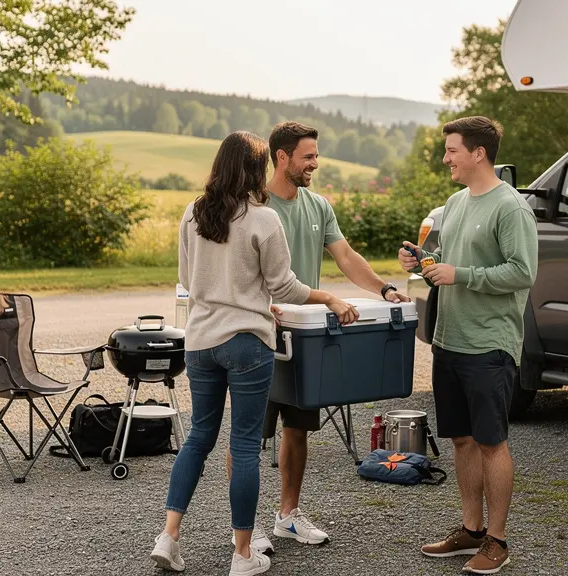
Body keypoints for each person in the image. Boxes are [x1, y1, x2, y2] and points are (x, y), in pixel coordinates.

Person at [150, 130, 359, 576]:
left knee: (199, 438)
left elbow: (189, 279)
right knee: (245, 445)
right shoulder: (263, 219)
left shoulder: (193, 213)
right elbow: (284, 286)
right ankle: (243, 555)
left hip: (201, 341)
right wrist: (326, 299)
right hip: (247, 342)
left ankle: (168, 537)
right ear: (258, 168)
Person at [226, 121, 410, 554]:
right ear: (282, 157)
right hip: (258, 332)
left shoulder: (318, 206)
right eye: (308, 156)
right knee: (249, 435)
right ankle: (244, 530)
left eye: (316, 156)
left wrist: (383, 289)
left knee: (299, 427)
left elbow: (345, 256)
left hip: (304, 333)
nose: (315, 164)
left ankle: (287, 516)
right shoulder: (251, 205)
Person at [398, 116, 537, 574]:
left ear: (479, 153)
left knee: (492, 442)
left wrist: (463, 275)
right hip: (449, 340)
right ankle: (471, 530)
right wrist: (421, 263)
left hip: (489, 345)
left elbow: (522, 272)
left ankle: (497, 542)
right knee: (461, 440)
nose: (446, 158)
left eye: (452, 149)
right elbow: (445, 264)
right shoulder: (454, 203)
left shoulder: (511, 208)